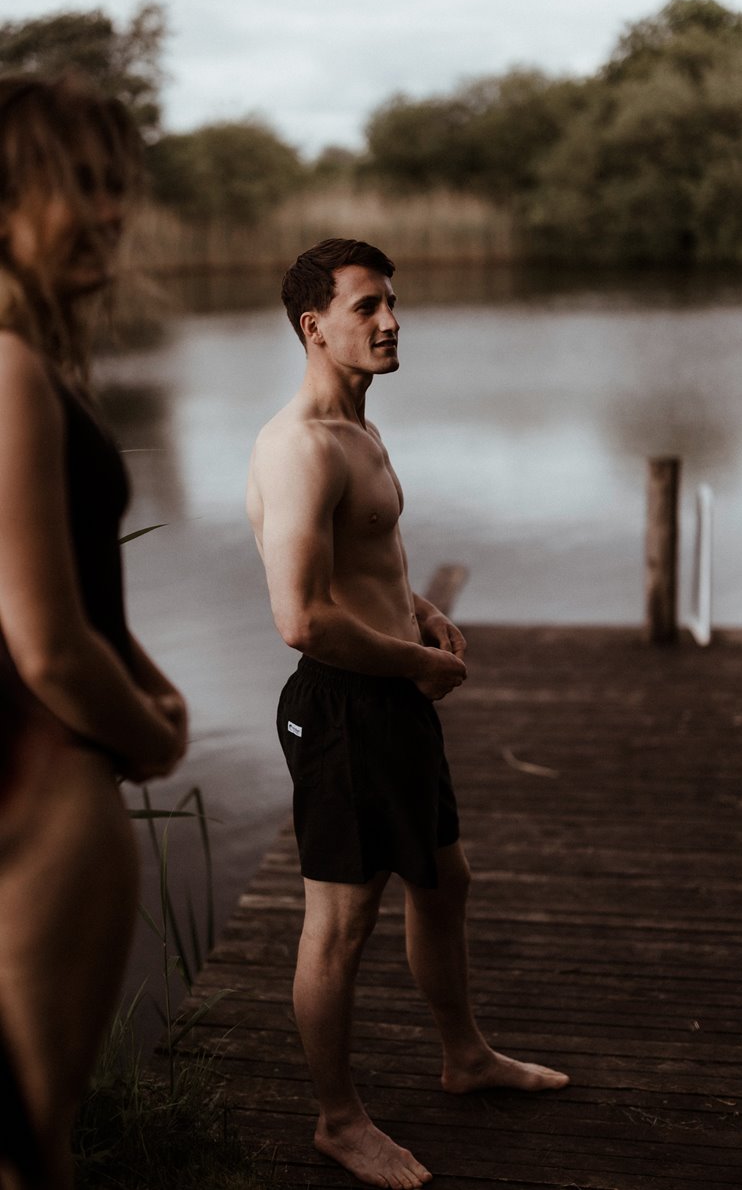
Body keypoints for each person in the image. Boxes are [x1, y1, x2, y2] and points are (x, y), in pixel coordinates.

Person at [246, 238, 568, 1189]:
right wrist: (416, 662)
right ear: (316, 326)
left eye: (393, 302)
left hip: (389, 694)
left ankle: (464, 1057)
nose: (390, 321)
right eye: (367, 307)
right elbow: (299, 619)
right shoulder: (301, 444)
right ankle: (338, 1121)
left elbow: (367, 558)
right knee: (339, 926)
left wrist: (420, 611)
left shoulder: (360, 428)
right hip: (344, 707)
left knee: (444, 881)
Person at [0, 74, 188, 1189]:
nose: (112, 212)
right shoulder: (13, 369)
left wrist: (151, 674)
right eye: (81, 185)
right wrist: (154, 736)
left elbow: (67, 591)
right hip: (52, 788)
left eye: (118, 185)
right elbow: (48, 642)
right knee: (36, 1155)